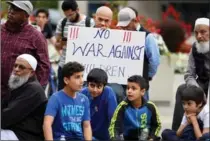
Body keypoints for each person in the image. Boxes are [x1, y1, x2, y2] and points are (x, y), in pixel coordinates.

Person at [1, 1, 50, 103]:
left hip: (19, 95)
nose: (11, 12)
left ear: (26, 15)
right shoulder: (1, 30)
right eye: (11, 8)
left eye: (17, 10)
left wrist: (35, 93)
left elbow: (44, 67)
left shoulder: (36, 37)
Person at [172, 17, 210, 131]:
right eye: (196, 33)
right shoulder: (194, 48)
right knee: (182, 89)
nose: (199, 36)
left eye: (203, 32)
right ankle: (177, 131)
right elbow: (189, 74)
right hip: (201, 83)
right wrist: (196, 89)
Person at [116, 7, 160, 100]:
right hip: (123, 85)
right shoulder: (120, 35)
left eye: (127, 26)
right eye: (122, 27)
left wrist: (147, 76)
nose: (124, 29)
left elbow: (154, 61)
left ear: (135, 20)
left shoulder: (148, 37)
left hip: (141, 85)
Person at [1, 54, 47, 140]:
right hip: (13, 130)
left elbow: (8, 116)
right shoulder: (19, 83)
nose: (16, 69)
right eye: (15, 65)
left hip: (25, 135)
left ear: (32, 72)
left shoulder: (33, 89)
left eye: (21, 67)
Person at [43, 62, 92, 140]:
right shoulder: (55, 98)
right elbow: (47, 124)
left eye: (82, 76)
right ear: (66, 80)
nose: (82, 81)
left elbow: (86, 126)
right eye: (77, 77)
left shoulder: (84, 99)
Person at [55, 0, 95, 91]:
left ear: (77, 10)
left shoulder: (89, 23)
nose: (69, 17)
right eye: (66, 15)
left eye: (71, 15)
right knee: (62, 93)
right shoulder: (62, 23)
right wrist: (62, 43)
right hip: (64, 65)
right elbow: (57, 45)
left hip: (83, 66)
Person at [109, 75, 161, 140]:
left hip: (146, 138)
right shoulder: (122, 107)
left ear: (142, 92)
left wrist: (152, 137)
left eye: (133, 88)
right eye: (128, 88)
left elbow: (157, 125)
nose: (129, 91)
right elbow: (114, 127)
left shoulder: (151, 107)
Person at [93, 6, 126, 103]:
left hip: (111, 79)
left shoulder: (117, 37)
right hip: (89, 78)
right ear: (95, 18)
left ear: (111, 22)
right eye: (100, 19)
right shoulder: (83, 35)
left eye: (106, 21)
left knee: (118, 92)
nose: (103, 23)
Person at [80, 68, 118, 140]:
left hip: (104, 137)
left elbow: (113, 119)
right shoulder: (82, 94)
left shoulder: (108, 92)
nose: (95, 90)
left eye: (99, 86)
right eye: (92, 85)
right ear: (87, 84)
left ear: (104, 86)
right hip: (84, 136)